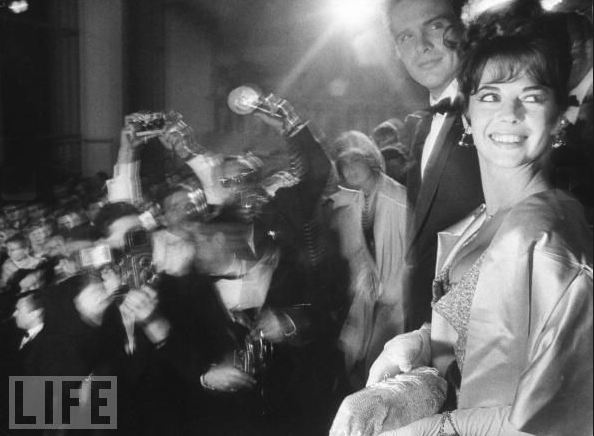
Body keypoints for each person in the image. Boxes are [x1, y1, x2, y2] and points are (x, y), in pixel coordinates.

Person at [346, 4, 592, 436]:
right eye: (491, 96)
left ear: (558, 119)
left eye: (531, 97)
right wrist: (424, 343)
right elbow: (490, 329)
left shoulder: (549, 243)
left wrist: (428, 430)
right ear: (467, 115)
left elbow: (559, 417)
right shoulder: (480, 220)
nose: (509, 113)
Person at [385, 0, 484, 329]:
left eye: (435, 26)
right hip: (428, 332)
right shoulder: (422, 129)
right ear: (397, 52)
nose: (423, 46)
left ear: (463, 28)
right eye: (406, 37)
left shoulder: (489, 114)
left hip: (478, 334)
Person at [328, 130, 411, 391]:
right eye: (344, 164)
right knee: (356, 361)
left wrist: (395, 295)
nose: (350, 169)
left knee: (382, 370)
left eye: (356, 161)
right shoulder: (352, 201)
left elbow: (413, 254)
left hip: (395, 299)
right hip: (366, 298)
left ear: (371, 159)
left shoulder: (397, 198)